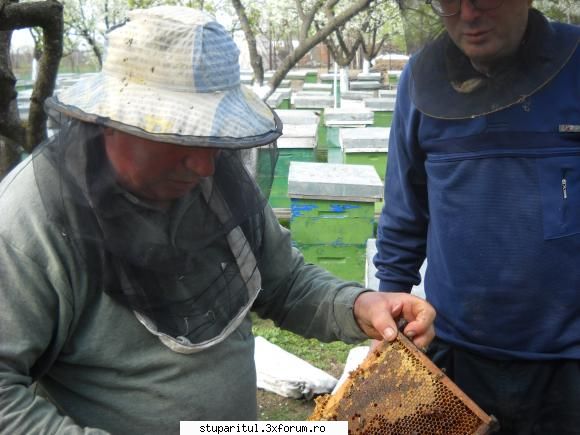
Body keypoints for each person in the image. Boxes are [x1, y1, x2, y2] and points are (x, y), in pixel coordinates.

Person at [0, 6, 435, 434]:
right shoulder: (28, 220)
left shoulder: (211, 181)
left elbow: (284, 283)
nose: (205, 166)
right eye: (179, 134)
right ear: (113, 122)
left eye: (213, 136)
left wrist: (359, 305)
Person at [374, 0, 580, 433]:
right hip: (456, 353)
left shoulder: (576, 61)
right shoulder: (420, 78)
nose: (467, 14)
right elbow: (404, 209)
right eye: (450, 1)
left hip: (569, 362)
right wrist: (389, 314)